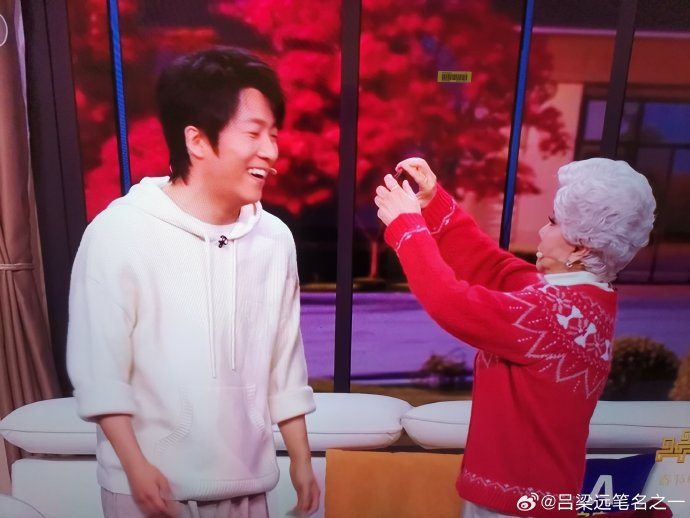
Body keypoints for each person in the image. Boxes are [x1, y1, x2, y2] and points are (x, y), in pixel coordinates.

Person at [67, 47, 320, 518]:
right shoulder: (118, 231)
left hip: (250, 487)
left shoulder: (274, 239)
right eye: (254, 133)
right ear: (197, 140)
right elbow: (99, 368)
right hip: (151, 490)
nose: (271, 151)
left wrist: (301, 461)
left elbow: (285, 361)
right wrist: (134, 466)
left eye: (273, 135)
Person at [374, 157, 656, 518]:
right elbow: (495, 268)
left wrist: (409, 229)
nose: (542, 230)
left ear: (580, 248)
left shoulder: (549, 314)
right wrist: (434, 204)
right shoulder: (583, 304)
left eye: (553, 222)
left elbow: (451, 303)